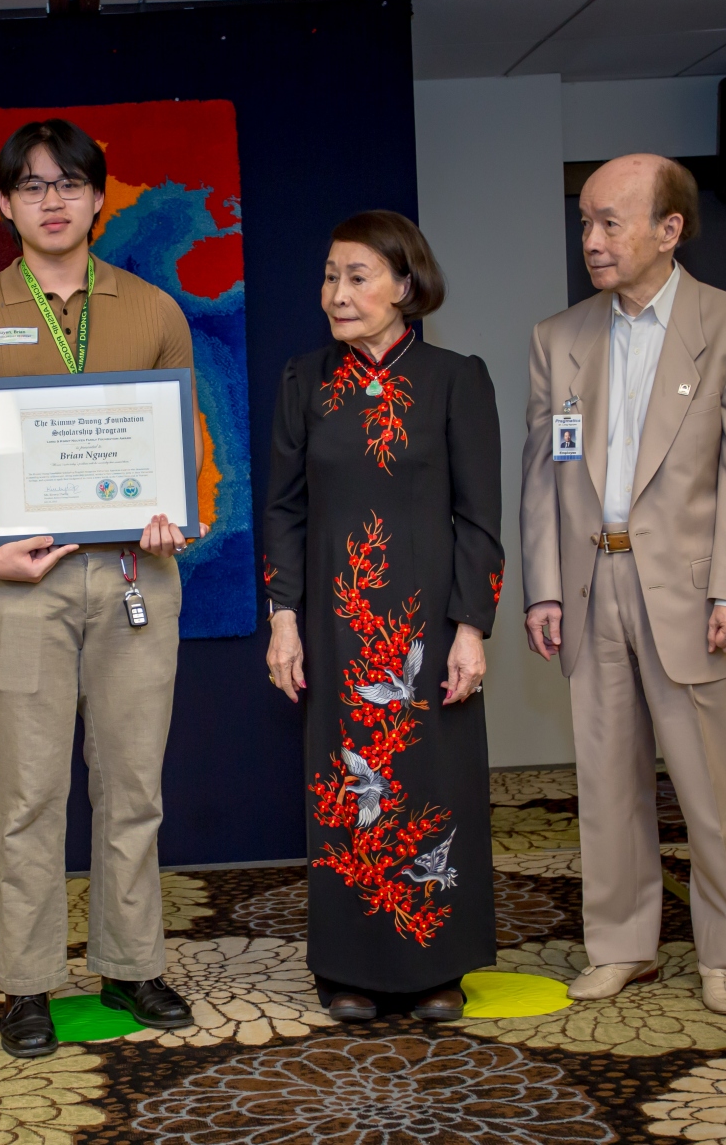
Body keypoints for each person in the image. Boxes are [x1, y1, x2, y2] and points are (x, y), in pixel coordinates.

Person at [0, 118, 197, 1059]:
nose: (52, 200)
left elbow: (175, 449)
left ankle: (132, 963)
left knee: (133, 786)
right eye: (32, 185)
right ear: (4, 202)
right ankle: (30, 983)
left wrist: (168, 514)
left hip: (135, 577)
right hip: (22, 588)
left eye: (70, 183)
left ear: (99, 197)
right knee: (30, 795)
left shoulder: (154, 311)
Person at [521, 155, 726, 1016]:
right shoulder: (558, 337)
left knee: (711, 790)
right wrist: (544, 587)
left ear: (670, 230)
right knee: (605, 784)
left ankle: (725, 952)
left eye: (611, 222)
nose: (591, 239)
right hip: (591, 585)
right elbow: (543, 473)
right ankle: (622, 945)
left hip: (694, 594)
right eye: (585, 222)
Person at [263, 211, 503, 1022]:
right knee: (347, 791)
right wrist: (284, 619)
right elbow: (284, 511)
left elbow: (479, 518)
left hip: (427, 632)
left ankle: (437, 965)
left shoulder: (455, 379)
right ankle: (349, 968)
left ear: (405, 285)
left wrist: (472, 627)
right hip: (337, 630)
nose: (337, 293)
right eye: (330, 276)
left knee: (433, 783)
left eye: (357, 277)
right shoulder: (304, 381)